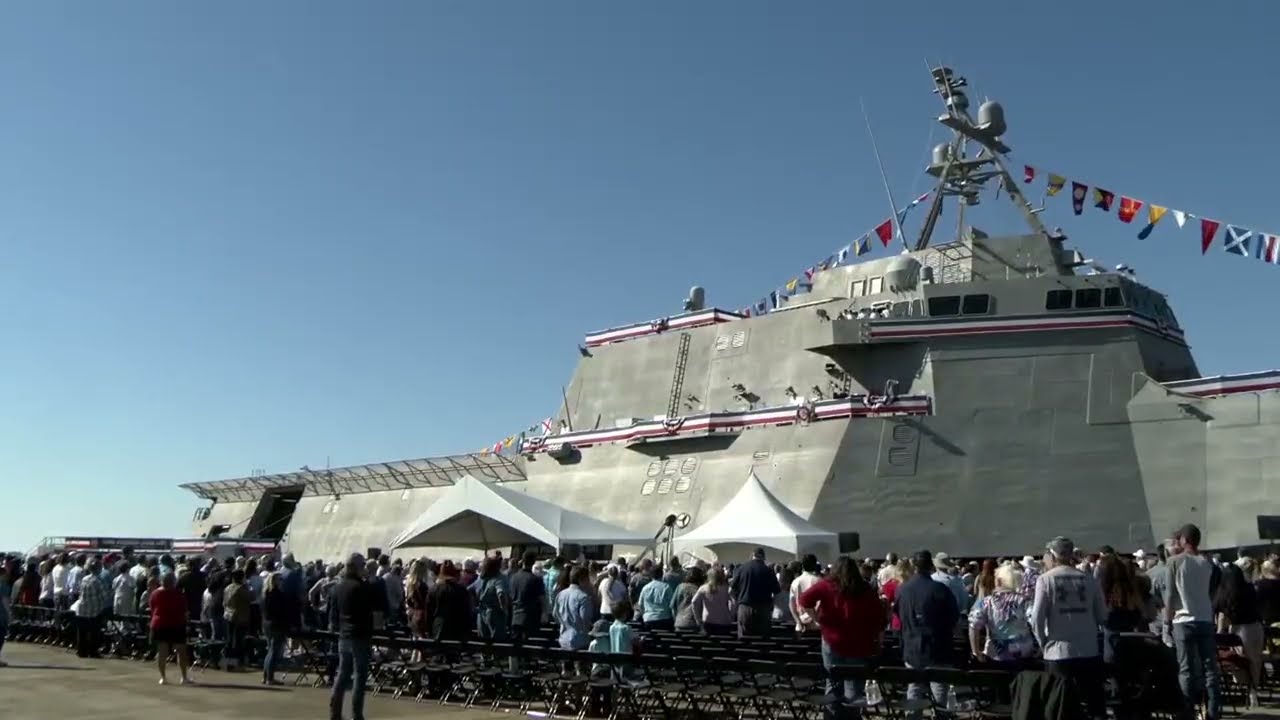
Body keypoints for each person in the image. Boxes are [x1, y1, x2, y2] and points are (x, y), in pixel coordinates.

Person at [1030, 536, 1107, 720]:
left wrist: (1043, 644)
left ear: (1053, 555)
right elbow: (1102, 616)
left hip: (1058, 651)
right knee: (1094, 705)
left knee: (1060, 708)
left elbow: (1036, 619)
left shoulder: (1045, 580)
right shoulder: (1089, 579)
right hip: (1088, 649)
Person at [797, 556, 885, 711]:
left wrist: (817, 619)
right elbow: (879, 618)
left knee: (832, 684)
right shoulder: (865, 589)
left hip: (832, 641)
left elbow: (804, 600)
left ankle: (831, 715)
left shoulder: (826, 585)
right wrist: (878, 641)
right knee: (854, 688)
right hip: (859, 644)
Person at [1164, 524, 1221, 720]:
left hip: (1183, 620)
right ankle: (1214, 711)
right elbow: (1211, 591)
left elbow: (1170, 595)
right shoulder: (1208, 563)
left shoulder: (1174, 561)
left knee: (1186, 670)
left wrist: (1166, 622)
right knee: (1210, 669)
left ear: (1184, 540)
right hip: (1205, 618)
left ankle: (1186, 713)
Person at [894, 550, 959, 718]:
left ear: (914, 567)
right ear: (930, 566)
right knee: (939, 694)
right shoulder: (940, 589)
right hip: (938, 649)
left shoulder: (902, 590)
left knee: (914, 690)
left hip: (912, 648)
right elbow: (953, 618)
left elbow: (898, 615)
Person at [330, 553, 381, 720]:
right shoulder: (362, 587)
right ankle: (356, 713)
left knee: (343, 674)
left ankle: (335, 712)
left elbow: (334, 613)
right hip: (360, 634)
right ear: (358, 567)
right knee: (360, 675)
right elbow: (371, 610)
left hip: (344, 634)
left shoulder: (338, 586)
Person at [968, 563, 1037, 666]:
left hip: (996, 653)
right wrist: (1040, 647)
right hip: (1024, 652)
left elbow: (973, 626)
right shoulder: (1025, 601)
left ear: (999, 581)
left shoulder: (986, 602)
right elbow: (1036, 621)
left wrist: (976, 651)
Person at [1214, 562, 1263, 704]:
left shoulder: (1223, 593)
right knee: (1254, 661)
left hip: (1237, 629)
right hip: (1255, 627)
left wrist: (1219, 634)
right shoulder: (1249, 588)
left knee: (1238, 661)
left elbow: (1222, 616)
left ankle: (1246, 687)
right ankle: (1254, 690)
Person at [150, 571, 193, 685]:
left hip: (159, 623)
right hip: (176, 624)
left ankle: (163, 678)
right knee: (181, 651)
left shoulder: (155, 593)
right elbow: (184, 611)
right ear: (173, 581)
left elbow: (152, 607)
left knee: (162, 652)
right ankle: (184, 678)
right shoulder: (179, 594)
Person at [731, 548, 780, 638]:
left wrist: (738, 602)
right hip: (763, 609)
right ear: (763, 557)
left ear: (752, 555)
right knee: (762, 640)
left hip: (744, 608)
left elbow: (732, 590)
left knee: (744, 640)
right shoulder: (768, 570)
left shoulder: (742, 568)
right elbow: (777, 591)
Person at [262, 572, 291, 685]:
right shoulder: (277, 594)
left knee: (270, 651)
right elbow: (282, 611)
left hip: (267, 624)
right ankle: (270, 677)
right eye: (280, 579)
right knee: (274, 651)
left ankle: (266, 676)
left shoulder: (265, 593)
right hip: (276, 625)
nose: (281, 581)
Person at [473, 556, 510, 640]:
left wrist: (473, 605)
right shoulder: (499, 577)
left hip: (481, 612)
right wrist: (504, 609)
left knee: (484, 641)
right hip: (495, 613)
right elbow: (500, 594)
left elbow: (469, 589)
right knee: (497, 642)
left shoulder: (481, 577)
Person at [690, 566, 735, 635]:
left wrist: (698, 620)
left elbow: (694, 602)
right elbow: (734, 603)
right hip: (724, 621)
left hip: (708, 620)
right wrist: (731, 616)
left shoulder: (703, 588)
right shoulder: (727, 588)